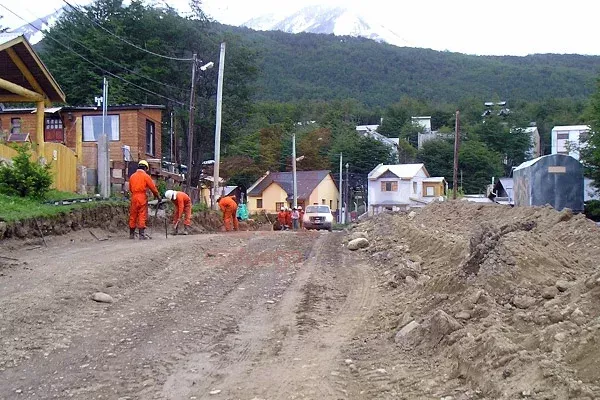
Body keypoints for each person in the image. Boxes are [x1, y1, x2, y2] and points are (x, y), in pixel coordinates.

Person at [129, 160, 160, 240]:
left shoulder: (132, 176)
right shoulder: (146, 176)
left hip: (134, 197)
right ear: (146, 168)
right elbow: (153, 188)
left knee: (133, 215)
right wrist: (158, 196)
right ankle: (141, 235)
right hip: (142, 197)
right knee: (142, 215)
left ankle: (131, 234)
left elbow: (130, 188)